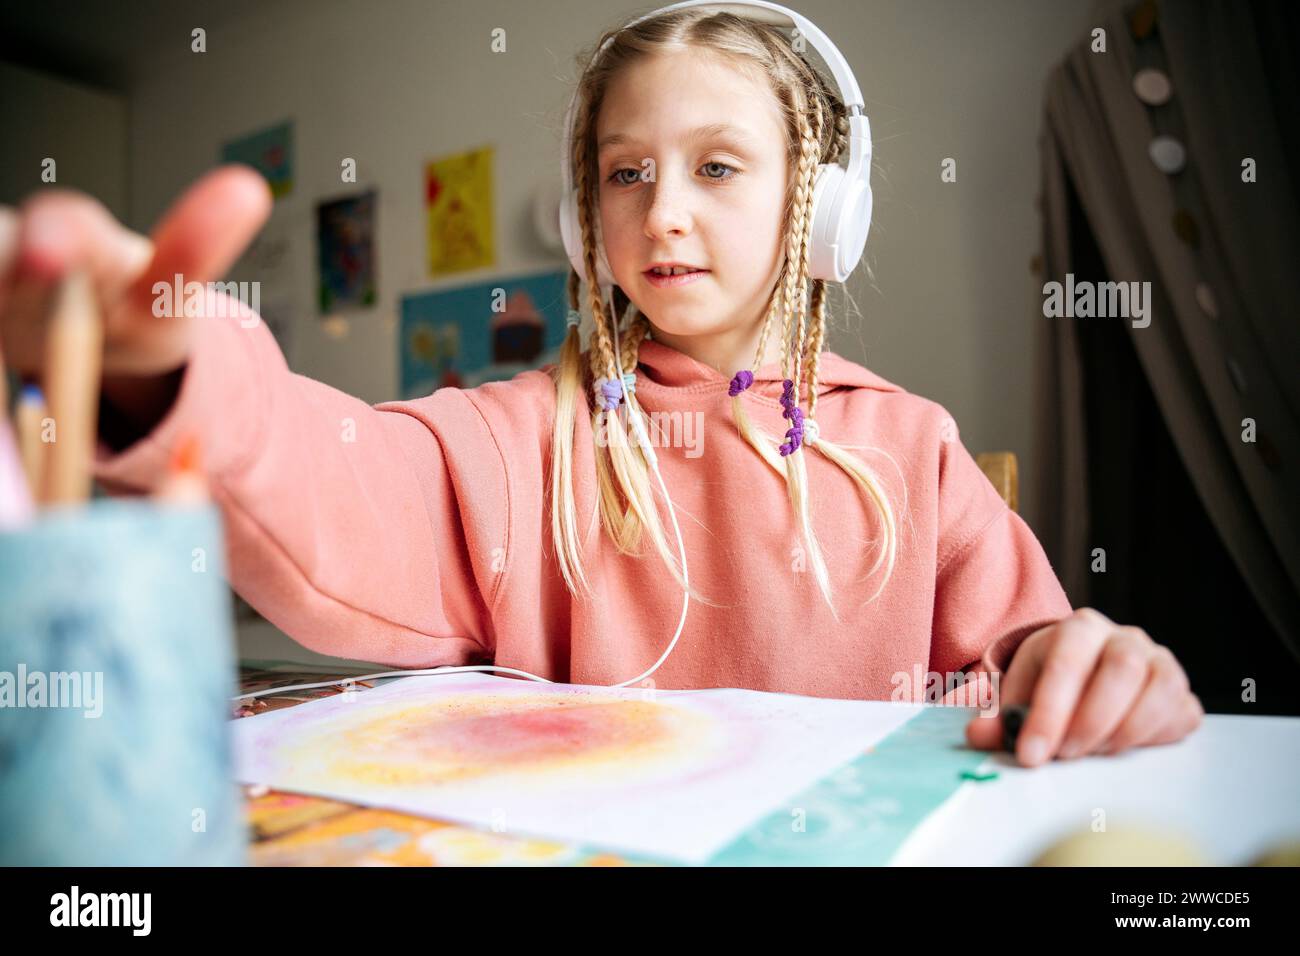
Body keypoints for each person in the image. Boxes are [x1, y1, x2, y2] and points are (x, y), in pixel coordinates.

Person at [0, 7, 1201, 767]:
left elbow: (1027, 656)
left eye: (717, 166)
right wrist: (174, 369)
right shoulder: (522, 436)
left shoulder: (912, 446)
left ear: (820, 209)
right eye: (625, 172)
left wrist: (1076, 666)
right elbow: (345, 475)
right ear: (586, 219)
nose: (661, 209)